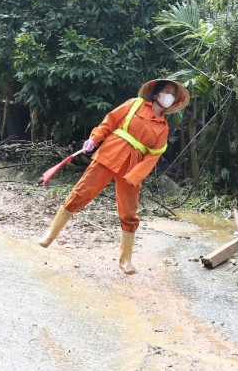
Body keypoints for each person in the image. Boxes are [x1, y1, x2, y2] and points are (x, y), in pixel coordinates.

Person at [39, 79, 189, 274]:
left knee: (129, 212)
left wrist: (136, 175)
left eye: (173, 95)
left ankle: (125, 260)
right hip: (110, 153)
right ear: (156, 94)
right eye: (167, 91)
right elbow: (108, 122)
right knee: (81, 193)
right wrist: (94, 139)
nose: (169, 96)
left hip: (133, 168)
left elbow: (154, 155)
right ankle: (50, 235)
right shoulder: (132, 104)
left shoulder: (163, 127)